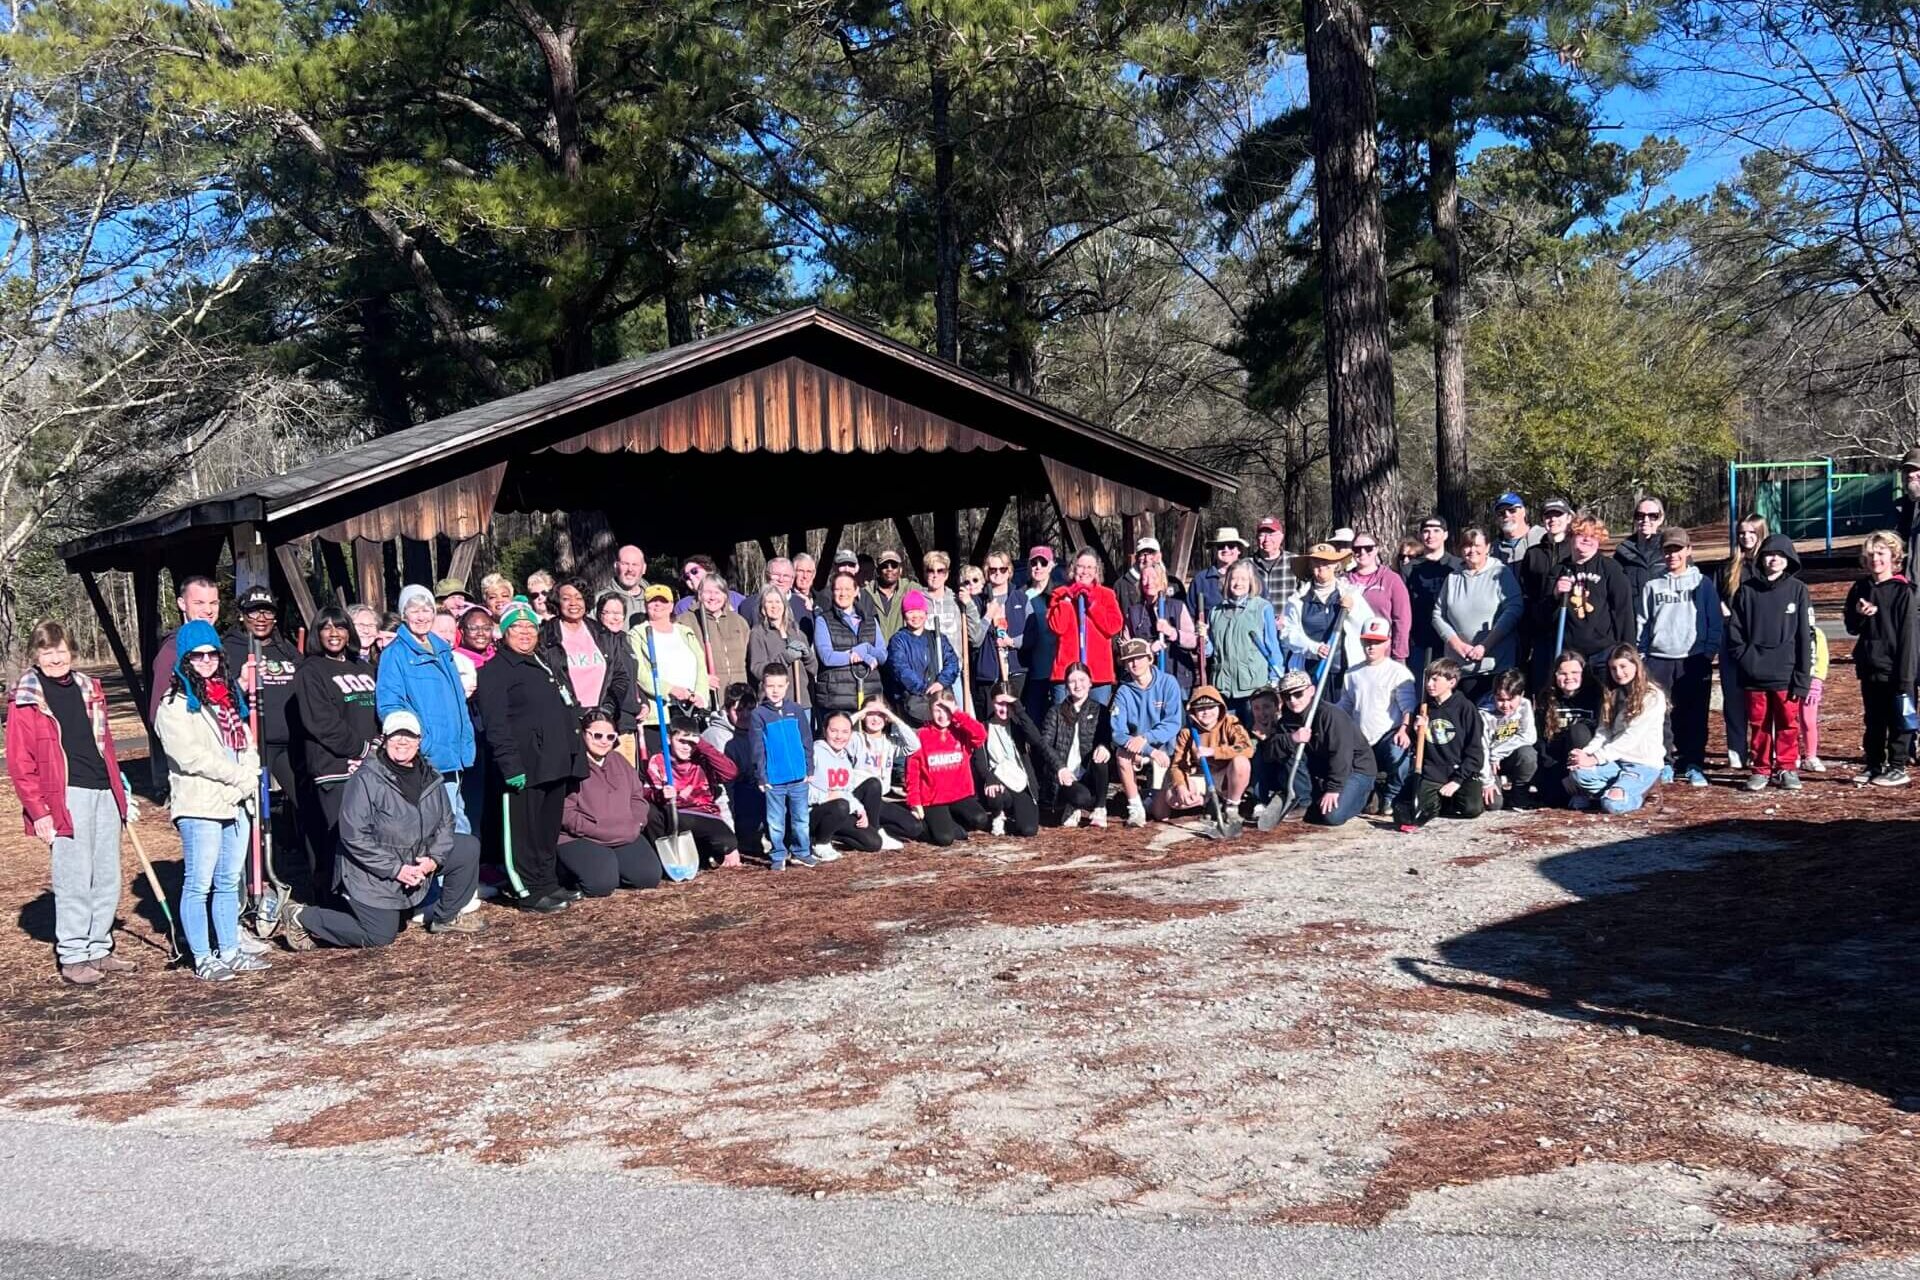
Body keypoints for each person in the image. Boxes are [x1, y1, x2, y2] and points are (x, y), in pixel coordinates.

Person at [278, 709, 485, 951]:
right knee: (379, 935)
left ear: (419, 741)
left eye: (409, 736)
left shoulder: (431, 776)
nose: (402, 742)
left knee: (466, 847)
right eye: (396, 735)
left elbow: (445, 822)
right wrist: (396, 869)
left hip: (416, 857)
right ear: (384, 740)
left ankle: (445, 918)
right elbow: (354, 836)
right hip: (371, 871)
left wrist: (432, 859)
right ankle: (302, 917)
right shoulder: (366, 779)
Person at [7, 621, 136, 985]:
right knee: (74, 878)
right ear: (35, 655)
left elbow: (105, 744)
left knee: (107, 875)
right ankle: (74, 954)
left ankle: (99, 946)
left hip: (103, 790)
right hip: (65, 796)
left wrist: (120, 790)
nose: (55, 659)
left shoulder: (88, 688)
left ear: (72, 651)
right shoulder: (26, 699)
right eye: (47, 652)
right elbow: (20, 763)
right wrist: (39, 811)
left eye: (61, 651)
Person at [153, 621, 266, 982]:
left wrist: (248, 775)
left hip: (236, 802)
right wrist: (239, 778)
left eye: (211, 654)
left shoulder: (227, 699)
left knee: (228, 880)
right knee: (199, 883)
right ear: (184, 659)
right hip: (201, 804)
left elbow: (246, 744)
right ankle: (203, 956)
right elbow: (190, 757)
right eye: (197, 655)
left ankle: (230, 949)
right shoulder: (174, 705)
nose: (205, 661)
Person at [475, 597, 586, 912]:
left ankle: (546, 882)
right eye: (517, 627)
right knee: (522, 832)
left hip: (553, 762)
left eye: (530, 627)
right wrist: (510, 765)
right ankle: (526, 890)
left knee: (545, 829)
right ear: (505, 632)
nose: (525, 632)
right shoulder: (495, 671)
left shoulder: (542, 662)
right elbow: (496, 725)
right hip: (523, 765)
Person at [289, 606, 381, 899]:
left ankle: (369, 899)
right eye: (325, 627)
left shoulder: (364, 667)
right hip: (336, 769)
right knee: (340, 838)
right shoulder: (311, 671)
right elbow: (321, 721)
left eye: (339, 627)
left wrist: (379, 745)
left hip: (372, 766)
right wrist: (360, 749)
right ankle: (334, 902)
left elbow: (379, 711)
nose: (333, 633)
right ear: (316, 634)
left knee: (371, 835)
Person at [376, 583, 477, 834]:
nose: (421, 616)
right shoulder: (395, 654)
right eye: (414, 610)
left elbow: (457, 701)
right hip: (427, 756)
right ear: (403, 615)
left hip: (453, 754)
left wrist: (466, 739)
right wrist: (419, 742)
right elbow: (390, 705)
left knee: (458, 819)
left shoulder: (442, 650)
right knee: (441, 826)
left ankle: (462, 862)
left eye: (426, 610)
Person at [223, 585, 303, 885]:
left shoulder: (287, 649)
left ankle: (305, 870)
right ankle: (251, 879)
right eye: (254, 612)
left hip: (289, 744)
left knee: (305, 800)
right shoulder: (229, 649)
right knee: (253, 809)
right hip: (253, 743)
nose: (261, 618)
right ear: (242, 616)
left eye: (267, 612)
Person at [1637, 526, 1721, 788]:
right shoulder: (1652, 585)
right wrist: (1642, 654)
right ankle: (1665, 762)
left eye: (1677, 549)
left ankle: (1693, 763)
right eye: (1668, 550)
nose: (1672, 555)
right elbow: (1642, 622)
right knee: (1661, 714)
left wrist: (1708, 651)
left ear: (1688, 551)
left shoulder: (1702, 583)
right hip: (1658, 659)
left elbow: (1714, 620)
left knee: (1694, 714)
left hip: (1693, 658)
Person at [1728, 533, 1812, 792]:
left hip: (1786, 674)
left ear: (1789, 560)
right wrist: (1747, 660)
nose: (1774, 559)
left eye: (1780, 555)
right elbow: (1735, 633)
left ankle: (1787, 767)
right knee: (1759, 724)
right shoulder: (1747, 590)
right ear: (1761, 558)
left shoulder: (1798, 590)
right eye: (1769, 554)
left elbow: (1804, 637)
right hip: (1755, 675)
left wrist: (1802, 677)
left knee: (1788, 723)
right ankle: (1761, 769)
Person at [553, 708, 664, 894]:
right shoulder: (571, 764)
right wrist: (593, 828)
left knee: (648, 877)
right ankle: (569, 870)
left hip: (624, 833)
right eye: (597, 735)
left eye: (610, 737)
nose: (604, 741)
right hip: (582, 837)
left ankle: (614, 864)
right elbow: (565, 810)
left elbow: (637, 797)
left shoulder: (619, 761)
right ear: (583, 733)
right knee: (600, 885)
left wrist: (636, 822)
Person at [1844, 529, 1917, 787]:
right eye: (1871, 554)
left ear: (1894, 556)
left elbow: (1908, 636)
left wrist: (1906, 676)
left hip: (1897, 668)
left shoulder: (1903, 591)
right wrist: (1859, 614)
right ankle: (1874, 763)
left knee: (1899, 719)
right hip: (1870, 665)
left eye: (1881, 553)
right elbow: (1851, 627)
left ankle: (1898, 766)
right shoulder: (1860, 588)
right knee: (1873, 720)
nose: (1875, 559)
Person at [1260, 669, 1374, 828]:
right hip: (1321, 768)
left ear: (1311, 691)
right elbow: (1270, 753)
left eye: (1298, 694)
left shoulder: (1331, 715)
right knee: (1286, 749)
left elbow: (1342, 755)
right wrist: (1292, 739)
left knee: (1332, 816)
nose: (1292, 700)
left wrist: (1334, 789)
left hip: (1354, 769)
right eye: (1286, 696)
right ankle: (1303, 802)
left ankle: (1367, 797)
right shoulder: (1287, 720)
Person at [1566, 645, 1667, 814]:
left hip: (1641, 763)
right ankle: (1619, 788)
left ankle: (1643, 790)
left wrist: (1595, 759)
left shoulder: (1652, 696)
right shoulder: (1612, 693)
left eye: (1623, 666)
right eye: (1613, 668)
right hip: (1615, 762)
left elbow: (1630, 738)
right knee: (1578, 773)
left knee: (1612, 805)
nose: (1618, 673)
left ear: (1636, 665)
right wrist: (1585, 755)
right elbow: (1603, 732)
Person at [1393, 657, 1487, 830]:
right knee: (1419, 810)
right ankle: (1438, 802)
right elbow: (1416, 748)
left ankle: (1450, 800)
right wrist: (1416, 731)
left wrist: (1457, 781)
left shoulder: (1466, 709)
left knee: (1471, 809)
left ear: (1451, 682)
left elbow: (1475, 752)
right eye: (1428, 679)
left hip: (1459, 771)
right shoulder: (1423, 708)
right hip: (1432, 772)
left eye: (1435, 679)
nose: (1430, 684)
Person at [1431, 527, 1522, 704]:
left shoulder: (1501, 573)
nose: (1472, 550)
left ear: (1488, 547)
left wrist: (1486, 645)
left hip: (1494, 666)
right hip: (1459, 667)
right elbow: (1437, 615)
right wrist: (1456, 644)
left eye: (1477, 545)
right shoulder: (1453, 578)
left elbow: (1514, 609)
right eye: (1467, 546)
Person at [1338, 617, 1416, 815]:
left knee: (1399, 754)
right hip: (1360, 737)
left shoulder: (1399, 672)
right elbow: (1345, 705)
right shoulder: (1352, 673)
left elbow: (1408, 707)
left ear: (1387, 642)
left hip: (1388, 734)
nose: (1371, 647)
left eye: (1377, 642)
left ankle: (1391, 796)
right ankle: (1367, 794)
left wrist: (1404, 730)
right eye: (1368, 641)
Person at [1282, 544, 1375, 703]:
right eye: (1316, 562)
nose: (1322, 566)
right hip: (1310, 672)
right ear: (1310, 566)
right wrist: (1313, 648)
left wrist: (1352, 610)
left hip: (1343, 670)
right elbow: (1288, 634)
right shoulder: (1298, 600)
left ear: (1336, 565)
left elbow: (1369, 625)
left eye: (1327, 562)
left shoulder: (1350, 594)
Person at [1109, 637, 1184, 827]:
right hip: (1139, 750)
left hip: (1165, 750)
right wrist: (1147, 749)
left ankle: (1152, 796)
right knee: (1121, 755)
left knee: (1160, 814)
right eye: (1129, 660)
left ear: (1150, 659)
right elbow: (1118, 733)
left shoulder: (1168, 683)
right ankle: (1135, 807)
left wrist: (1146, 739)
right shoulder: (1123, 692)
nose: (1135, 663)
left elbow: (1173, 723)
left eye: (1139, 658)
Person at [649, 714, 742, 868]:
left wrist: (703, 745)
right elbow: (649, 792)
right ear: (669, 739)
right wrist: (661, 795)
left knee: (728, 843)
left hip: (703, 813)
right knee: (651, 813)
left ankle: (703, 852)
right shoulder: (658, 761)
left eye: (692, 743)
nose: (687, 747)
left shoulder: (703, 759)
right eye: (681, 741)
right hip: (674, 813)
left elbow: (730, 773)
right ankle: (664, 860)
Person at [1547, 516, 1635, 677]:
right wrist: (1555, 595)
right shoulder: (1558, 571)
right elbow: (1542, 616)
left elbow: (1624, 613)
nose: (1587, 539)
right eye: (1581, 534)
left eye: (1593, 536)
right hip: (1569, 656)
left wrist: (1629, 653)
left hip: (1604, 653)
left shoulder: (1611, 569)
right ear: (1571, 536)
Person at [538, 578, 632, 724]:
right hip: (565, 719)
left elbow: (620, 677)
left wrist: (607, 708)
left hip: (602, 719)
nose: (573, 603)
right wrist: (576, 711)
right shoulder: (545, 637)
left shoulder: (603, 634)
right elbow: (543, 683)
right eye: (566, 598)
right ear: (557, 602)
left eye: (579, 598)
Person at [1156, 684, 1254, 822]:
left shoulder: (1231, 723)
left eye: (1211, 707)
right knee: (1174, 799)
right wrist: (1181, 785)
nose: (1206, 712)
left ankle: (1231, 807)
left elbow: (1246, 748)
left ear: (1220, 708)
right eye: (1201, 709)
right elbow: (1177, 765)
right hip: (1201, 776)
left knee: (1241, 762)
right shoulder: (1187, 733)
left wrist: (1214, 752)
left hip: (1226, 777)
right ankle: (1208, 802)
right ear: (1193, 711)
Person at [905, 690, 990, 846]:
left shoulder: (961, 732)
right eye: (938, 710)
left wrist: (957, 713)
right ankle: (933, 824)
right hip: (933, 799)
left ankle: (950, 821)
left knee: (980, 819)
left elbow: (980, 735)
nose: (942, 715)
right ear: (930, 711)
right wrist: (914, 802)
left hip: (959, 795)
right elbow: (912, 772)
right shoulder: (921, 735)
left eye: (946, 710)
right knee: (945, 839)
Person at [632, 583, 708, 756]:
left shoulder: (685, 632)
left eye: (663, 601)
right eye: (653, 601)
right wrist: (669, 689)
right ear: (645, 605)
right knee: (663, 761)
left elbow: (701, 666)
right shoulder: (637, 634)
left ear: (671, 605)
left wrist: (700, 695)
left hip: (690, 711)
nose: (658, 605)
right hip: (661, 712)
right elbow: (640, 673)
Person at [1717, 514, 1769, 768]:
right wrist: (1724, 613)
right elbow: (1717, 599)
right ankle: (1737, 751)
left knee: (1761, 701)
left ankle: (1763, 752)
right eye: (1741, 533)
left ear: (1761, 534)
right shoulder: (1728, 568)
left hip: (1761, 644)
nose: (1746, 537)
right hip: (1731, 642)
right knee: (1734, 700)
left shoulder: (1768, 567)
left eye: (1751, 532)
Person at [750, 664, 814, 869]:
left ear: (787, 685)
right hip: (774, 780)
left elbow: (807, 740)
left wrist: (809, 768)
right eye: (770, 686)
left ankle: (802, 851)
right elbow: (757, 748)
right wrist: (762, 776)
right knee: (775, 821)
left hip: (799, 778)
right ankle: (778, 854)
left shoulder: (796, 710)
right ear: (763, 686)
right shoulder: (758, 715)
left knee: (801, 818)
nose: (775, 690)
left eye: (779, 686)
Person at [147, 574, 229, 729]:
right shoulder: (172, 649)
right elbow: (158, 715)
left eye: (213, 603)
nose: (208, 610)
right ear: (182, 604)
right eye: (199, 603)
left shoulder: (219, 646)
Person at [1208, 560, 1285, 723]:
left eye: (1243, 579)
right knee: (1229, 735)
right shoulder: (1215, 612)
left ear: (1251, 582)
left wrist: (1275, 680)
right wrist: (1202, 638)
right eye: (1234, 579)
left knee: (1256, 733)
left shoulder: (1262, 608)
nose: (1238, 583)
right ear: (1227, 581)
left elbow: (1273, 646)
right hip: (1223, 689)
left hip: (1254, 688)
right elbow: (1210, 650)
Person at [1045, 550, 1125, 704]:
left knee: (1097, 717)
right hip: (1066, 673)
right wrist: (1067, 599)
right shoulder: (1059, 594)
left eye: (1090, 567)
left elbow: (1114, 626)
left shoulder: (1106, 594)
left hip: (1098, 674)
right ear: (1073, 568)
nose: (1085, 571)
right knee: (1063, 717)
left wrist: (1093, 605)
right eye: (1080, 566)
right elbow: (1057, 627)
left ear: (1096, 571)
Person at [1040, 663, 1114, 827]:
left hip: (1088, 772)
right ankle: (1072, 805)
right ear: (1067, 686)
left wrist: (1104, 746)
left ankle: (1100, 808)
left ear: (1090, 683)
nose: (1078, 685)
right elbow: (1044, 744)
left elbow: (1106, 737)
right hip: (1065, 775)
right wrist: (1060, 767)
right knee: (1081, 798)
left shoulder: (1100, 711)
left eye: (1082, 680)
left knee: (1101, 760)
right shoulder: (1055, 712)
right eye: (1072, 681)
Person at [973, 681, 1051, 837]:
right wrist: (990, 778)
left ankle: (1013, 814)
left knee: (1028, 830)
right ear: (992, 702)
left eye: (1008, 704)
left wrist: (1019, 710)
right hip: (998, 779)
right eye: (999, 703)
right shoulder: (983, 727)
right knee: (996, 796)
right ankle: (998, 814)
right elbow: (979, 761)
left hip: (1020, 780)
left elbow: (1036, 739)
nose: (1004, 709)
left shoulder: (1018, 725)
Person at [809, 711, 889, 857]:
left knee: (873, 843)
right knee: (841, 805)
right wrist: (825, 796)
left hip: (840, 811)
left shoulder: (845, 758)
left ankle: (831, 834)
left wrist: (859, 808)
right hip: (815, 812)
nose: (839, 736)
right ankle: (820, 843)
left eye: (845, 732)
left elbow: (846, 791)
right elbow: (798, 789)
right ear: (825, 730)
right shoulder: (813, 752)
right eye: (834, 731)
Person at [813, 569, 886, 726]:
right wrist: (854, 656)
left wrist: (866, 649)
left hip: (869, 695)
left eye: (847, 589)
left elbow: (882, 655)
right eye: (838, 589)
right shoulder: (823, 621)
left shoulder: (870, 621)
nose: (843, 593)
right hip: (837, 698)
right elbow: (827, 657)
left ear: (856, 591)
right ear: (832, 592)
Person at [847, 698, 926, 843]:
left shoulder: (890, 742)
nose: (875, 718)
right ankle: (872, 830)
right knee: (873, 783)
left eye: (881, 714)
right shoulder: (855, 739)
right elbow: (842, 729)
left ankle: (878, 827)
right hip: (860, 798)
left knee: (915, 827)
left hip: (879, 801)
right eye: (871, 714)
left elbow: (914, 745)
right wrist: (861, 713)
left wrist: (894, 718)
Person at [1519, 497, 1575, 684]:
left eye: (1558, 515)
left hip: (1571, 629)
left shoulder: (1575, 550)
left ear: (1568, 518)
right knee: (1543, 683)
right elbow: (1527, 591)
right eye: (1548, 516)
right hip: (1541, 631)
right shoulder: (1533, 553)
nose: (1553, 520)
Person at [1535, 650, 1601, 806]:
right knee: (1553, 799)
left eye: (1575, 672)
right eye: (1563, 673)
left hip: (1588, 761)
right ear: (1555, 675)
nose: (1569, 677)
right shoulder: (1547, 698)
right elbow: (1541, 741)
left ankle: (1583, 787)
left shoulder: (1596, 696)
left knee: (1578, 730)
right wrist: (1559, 772)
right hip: (1557, 761)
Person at [1124, 562, 1200, 694]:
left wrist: (1171, 632)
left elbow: (1194, 641)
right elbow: (1126, 648)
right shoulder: (1134, 613)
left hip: (1178, 678)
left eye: (1154, 578)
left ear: (1162, 580)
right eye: (1145, 578)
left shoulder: (1177, 607)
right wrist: (1148, 650)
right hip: (1146, 680)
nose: (1149, 582)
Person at [886, 590, 959, 724]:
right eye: (910, 612)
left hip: (941, 701)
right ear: (904, 615)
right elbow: (900, 668)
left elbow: (952, 662)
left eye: (919, 611)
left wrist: (941, 682)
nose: (916, 616)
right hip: (913, 704)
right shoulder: (898, 641)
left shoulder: (938, 638)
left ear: (926, 614)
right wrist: (923, 689)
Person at [974, 549, 1034, 707]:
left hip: (1016, 671)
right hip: (988, 674)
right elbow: (974, 638)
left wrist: (1011, 642)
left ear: (1009, 571)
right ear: (987, 572)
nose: (998, 573)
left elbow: (1032, 634)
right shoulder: (978, 602)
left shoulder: (1021, 598)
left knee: (1016, 717)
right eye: (993, 569)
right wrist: (988, 615)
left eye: (1002, 569)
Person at [1401, 515, 1461, 673]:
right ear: (1420, 535)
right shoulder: (1409, 569)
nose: (1430, 535)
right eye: (1426, 531)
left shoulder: (1458, 566)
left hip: (1452, 641)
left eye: (1436, 530)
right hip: (1419, 642)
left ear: (1445, 535)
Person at [1342, 532, 1411, 662]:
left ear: (1377, 549)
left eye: (1368, 548)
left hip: (1382, 654)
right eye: (1357, 549)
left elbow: (1402, 620)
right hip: (1349, 655)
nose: (1362, 552)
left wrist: (1399, 656)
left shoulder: (1392, 580)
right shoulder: (1343, 582)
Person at [747, 584, 819, 709]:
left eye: (778, 602)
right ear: (763, 608)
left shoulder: (797, 632)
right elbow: (757, 670)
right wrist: (784, 658)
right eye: (769, 602)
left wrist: (807, 656)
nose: (774, 606)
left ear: (784, 606)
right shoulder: (758, 633)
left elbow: (814, 669)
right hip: (775, 703)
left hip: (803, 702)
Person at [1479, 668, 1538, 809]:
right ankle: (1497, 788)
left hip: (1507, 755)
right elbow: (1481, 748)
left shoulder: (1525, 705)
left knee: (1528, 754)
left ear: (1521, 695)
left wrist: (1497, 752)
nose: (1505, 705)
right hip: (1488, 761)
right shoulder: (1483, 712)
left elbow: (1529, 736)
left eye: (1511, 699)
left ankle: (1519, 794)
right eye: (1500, 700)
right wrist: (1487, 781)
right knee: (1493, 804)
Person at [689, 575, 750, 707]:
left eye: (717, 592)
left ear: (725, 596)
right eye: (707, 592)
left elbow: (748, 658)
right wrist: (701, 679)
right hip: (705, 695)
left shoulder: (739, 622)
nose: (712, 597)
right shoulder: (687, 621)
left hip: (738, 697)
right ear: (699, 595)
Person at [1019, 546, 1063, 724]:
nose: (1038, 567)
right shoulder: (1020, 595)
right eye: (1034, 563)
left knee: (1059, 723)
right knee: (1033, 723)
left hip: (1058, 671)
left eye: (1043, 562)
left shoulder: (1060, 594)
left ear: (1051, 565)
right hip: (1030, 672)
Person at [918, 550, 980, 662]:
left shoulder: (957, 601)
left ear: (946, 574)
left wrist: (969, 605)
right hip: (926, 668)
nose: (935, 575)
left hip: (954, 668)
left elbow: (976, 639)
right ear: (925, 574)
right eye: (930, 571)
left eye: (940, 571)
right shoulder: (917, 601)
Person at [1614, 496, 1667, 596]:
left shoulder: (1671, 550)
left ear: (1661, 519)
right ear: (1635, 519)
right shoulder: (1622, 552)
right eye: (1640, 515)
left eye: (1652, 516)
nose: (1645, 520)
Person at [1191, 527, 1247, 614]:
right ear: (1215, 550)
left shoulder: (1251, 576)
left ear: (1239, 550)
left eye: (1231, 546)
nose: (1226, 549)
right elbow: (1189, 614)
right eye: (1221, 546)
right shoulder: (1200, 580)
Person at [1248, 516, 1296, 614]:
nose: (1267, 539)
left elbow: (1304, 596)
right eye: (1262, 535)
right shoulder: (1246, 565)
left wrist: (1287, 617)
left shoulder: (1295, 562)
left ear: (1281, 537)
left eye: (1271, 534)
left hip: (1287, 621)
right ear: (1257, 538)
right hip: (1255, 621)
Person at [862, 548, 911, 640]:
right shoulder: (866, 593)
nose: (889, 569)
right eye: (885, 566)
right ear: (878, 570)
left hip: (901, 647)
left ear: (900, 570)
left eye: (894, 565)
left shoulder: (909, 589)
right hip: (874, 648)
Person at [1801, 613, 1828, 773]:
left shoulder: (1816, 634)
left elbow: (1822, 659)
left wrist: (1817, 681)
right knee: (1787, 721)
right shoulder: (1786, 629)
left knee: (1808, 720)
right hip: (1788, 682)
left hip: (1810, 682)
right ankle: (1790, 755)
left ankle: (1811, 756)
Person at [675, 555, 744, 615]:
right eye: (686, 576)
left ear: (709, 570)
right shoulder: (683, 606)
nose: (691, 577)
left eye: (694, 571)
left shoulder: (736, 599)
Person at [1492, 492, 1544, 566]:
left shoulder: (1543, 536)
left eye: (1512, 510)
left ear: (1523, 511)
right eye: (1501, 513)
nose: (1507, 515)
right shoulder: (1492, 549)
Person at [604, 545, 652, 619]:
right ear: (616, 566)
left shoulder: (655, 600)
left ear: (644, 568)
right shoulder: (600, 599)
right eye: (625, 564)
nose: (630, 569)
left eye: (635, 564)